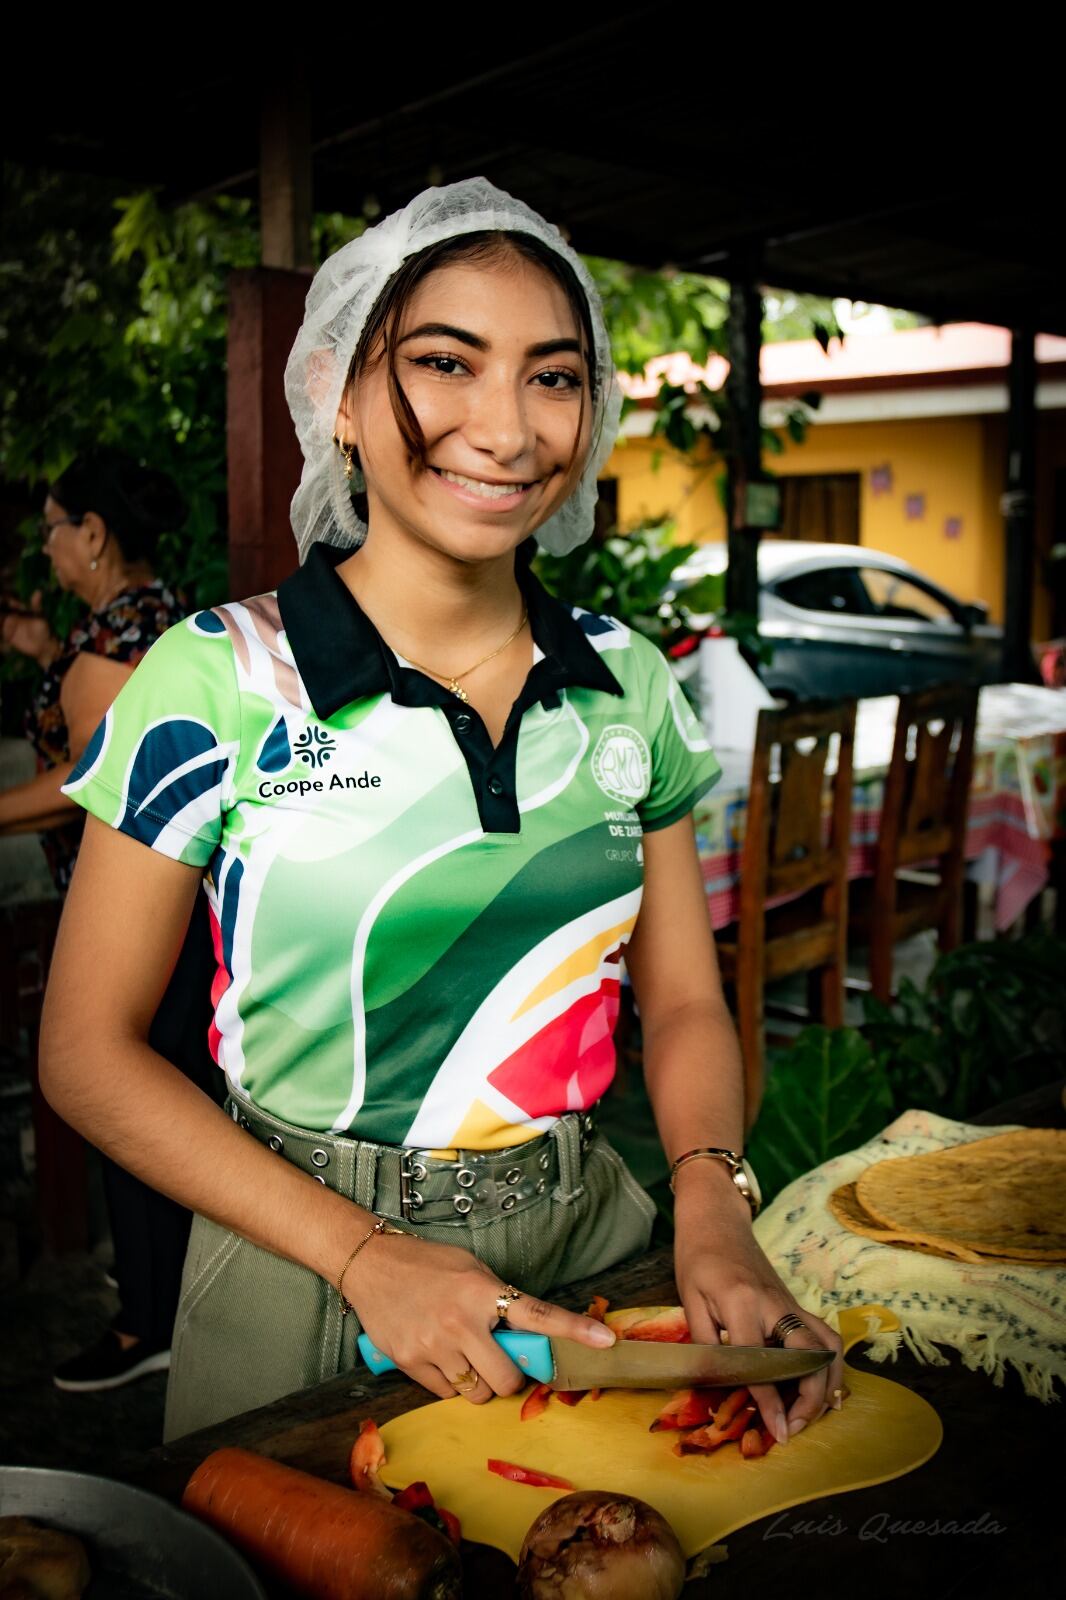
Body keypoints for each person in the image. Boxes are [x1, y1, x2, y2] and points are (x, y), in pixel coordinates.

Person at [40, 178, 845, 1443]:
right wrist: (366, 1256)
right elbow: (84, 1050)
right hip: (299, 1258)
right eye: (444, 363)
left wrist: (711, 1206)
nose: (506, 427)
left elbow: (684, 999)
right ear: (339, 398)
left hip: (596, 1247)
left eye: (554, 375)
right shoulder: (220, 676)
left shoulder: (626, 683)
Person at [0, 449, 218, 1389]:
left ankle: (147, 1323)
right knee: (170, 1090)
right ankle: (172, 1302)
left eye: (53, 526)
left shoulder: (110, 643)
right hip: (185, 911)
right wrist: (47, 652)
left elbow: (99, 783)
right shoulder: (157, 618)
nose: (46, 546)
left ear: (92, 534)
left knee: (128, 1101)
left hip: (133, 912)